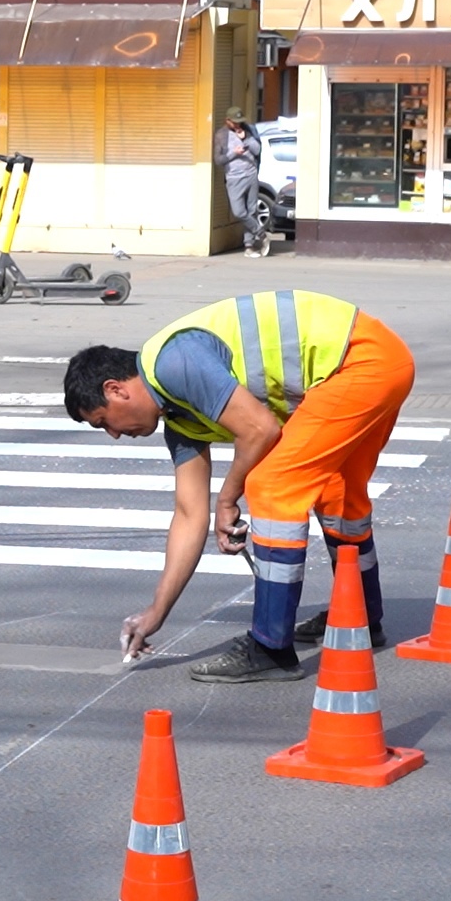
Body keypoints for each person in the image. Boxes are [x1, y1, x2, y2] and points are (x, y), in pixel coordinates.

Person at [62, 290, 414, 682]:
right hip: (375, 361)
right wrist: (155, 613)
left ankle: (270, 649)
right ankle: (362, 616)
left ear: (115, 390)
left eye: (103, 421)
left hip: (359, 362)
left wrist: (228, 498)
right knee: (337, 493)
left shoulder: (173, 362)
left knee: (272, 486)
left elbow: (260, 429)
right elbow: (189, 515)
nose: (112, 434)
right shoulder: (180, 419)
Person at [214, 107, 267, 257]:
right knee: (239, 212)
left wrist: (246, 139)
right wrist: (234, 153)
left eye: (240, 122)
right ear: (228, 121)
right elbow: (218, 160)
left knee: (252, 210)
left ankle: (249, 246)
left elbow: (258, 150)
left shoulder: (248, 130)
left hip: (251, 173)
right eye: (235, 122)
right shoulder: (221, 135)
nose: (238, 125)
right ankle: (260, 232)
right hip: (234, 177)